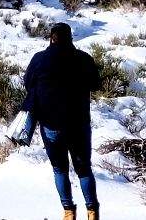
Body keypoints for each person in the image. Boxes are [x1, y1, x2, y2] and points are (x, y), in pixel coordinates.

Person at [24, 22, 102, 220]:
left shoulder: (39, 59)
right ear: (71, 38)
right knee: (84, 170)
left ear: (51, 38)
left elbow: (28, 84)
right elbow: (96, 84)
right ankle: (92, 212)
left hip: (51, 124)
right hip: (79, 123)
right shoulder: (83, 58)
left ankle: (68, 212)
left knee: (60, 169)